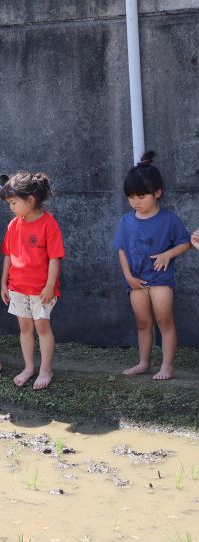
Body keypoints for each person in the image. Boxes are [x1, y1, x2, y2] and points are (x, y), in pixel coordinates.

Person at [113, 152, 191, 380]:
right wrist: (128, 276)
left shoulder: (169, 219)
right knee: (142, 323)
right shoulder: (126, 221)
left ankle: (167, 366)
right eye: (131, 197)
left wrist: (168, 254)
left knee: (165, 322)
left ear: (157, 193)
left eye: (141, 196)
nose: (136, 202)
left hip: (161, 281)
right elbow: (121, 249)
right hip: (136, 281)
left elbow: (186, 242)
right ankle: (143, 363)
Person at [0, 171, 64, 390]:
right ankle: (29, 367)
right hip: (17, 286)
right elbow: (8, 255)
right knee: (25, 328)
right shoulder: (14, 225)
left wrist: (49, 286)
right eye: (9, 203)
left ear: (30, 200)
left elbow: (55, 258)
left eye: (14, 202)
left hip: (41, 290)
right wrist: (4, 283)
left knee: (42, 327)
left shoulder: (49, 224)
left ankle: (46, 369)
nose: (11, 207)